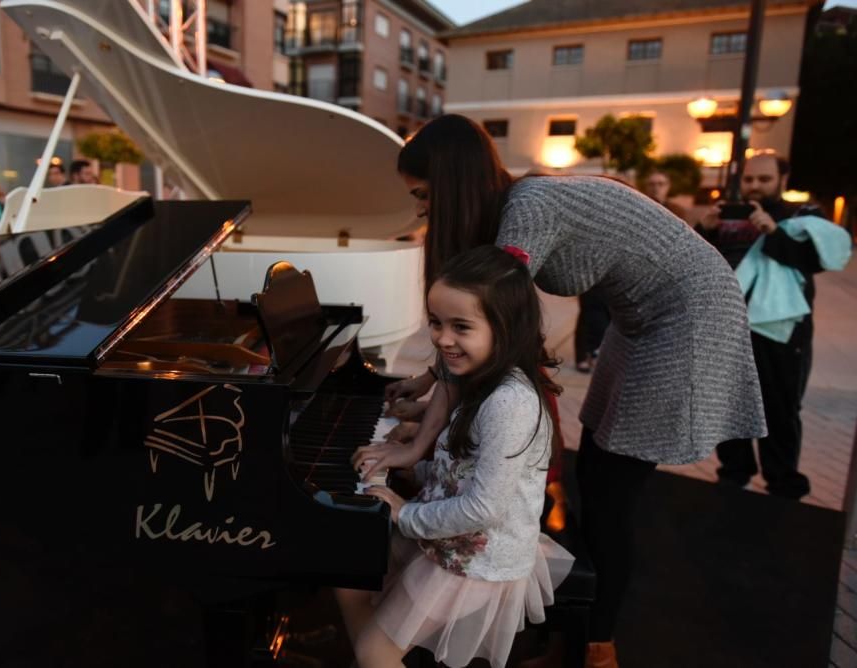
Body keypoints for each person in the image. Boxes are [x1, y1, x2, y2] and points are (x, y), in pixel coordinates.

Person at [362, 114, 765, 668]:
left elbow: (492, 331)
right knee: (596, 471)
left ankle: (596, 644)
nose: (421, 210)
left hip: (688, 316)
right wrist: (429, 385)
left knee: (610, 491)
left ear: (453, 183)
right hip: (638, 319)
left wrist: (414, 444)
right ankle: (577, 622)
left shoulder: (529, 211)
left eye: (424, 195)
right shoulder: (515, 209)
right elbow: (467, 341)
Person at [340, 245, 574, 668]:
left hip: (475, 559)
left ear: (506, 328)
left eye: (460, 327)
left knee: (374, 651)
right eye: (435, 323)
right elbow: (463, 468)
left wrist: (403, 512)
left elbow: (483, 506)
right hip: (448, 533)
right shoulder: (479, 378)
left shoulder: (510, 403)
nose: (442, 339)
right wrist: (415, 468)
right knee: (347, 577)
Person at [697, 152, 846, 499]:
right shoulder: (728, 215)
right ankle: (734, 473)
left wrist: (773, 232)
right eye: (749, 179)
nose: (755, 186)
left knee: (780, 406)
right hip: (731, 327)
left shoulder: (804, 216)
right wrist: (705, 228)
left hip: (782, 332)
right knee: (729, 403)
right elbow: (700, 259)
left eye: (764, 179)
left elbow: (817, 261)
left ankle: (781, 482)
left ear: (783, 179)